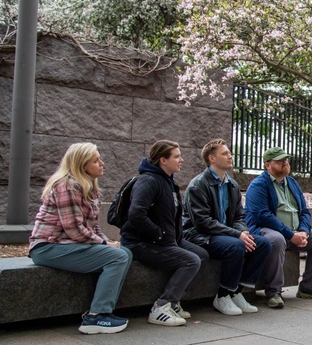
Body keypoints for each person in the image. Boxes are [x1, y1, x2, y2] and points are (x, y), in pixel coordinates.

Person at [28, 143, 132, 334]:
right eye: (96, 160)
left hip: (66, 245)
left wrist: (106, 241)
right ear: (82, 165)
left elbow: (92, 225)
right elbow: (74, 229)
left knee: (124, 252)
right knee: (118, 256)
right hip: (47, 247)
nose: (102, 163)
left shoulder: (88, 186)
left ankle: (103, 311)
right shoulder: (67, 185)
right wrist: (103, 243)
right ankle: (97, 316)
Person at [120, 140, 209, 326]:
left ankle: (174, 302)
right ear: (163, 160)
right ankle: (162, 306)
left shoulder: (168, 182)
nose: (181, 160)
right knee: (190, 260)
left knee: (201, 254)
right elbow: (136, 214)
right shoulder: (149, 181)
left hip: (168, 239)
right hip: (142, 242)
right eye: (176, 156)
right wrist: (158, 235)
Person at [182, 138, 271, 315]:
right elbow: (202, 222)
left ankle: (236, 292)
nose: (230, 156)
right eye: (225, 153)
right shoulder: (198, 185)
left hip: (224, 234)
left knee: (262, 244)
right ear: (212, 158)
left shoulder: (232, 184)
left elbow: (239, 215)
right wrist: (236, 235)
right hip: (199, 235)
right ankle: (222, 296)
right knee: (236, 246)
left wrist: (243, 231)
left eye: (229, 153)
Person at [245, 147, 312, 309]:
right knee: (276, 240)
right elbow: (263, 216)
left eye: (286, 160)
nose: (285, 163)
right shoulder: (258, 185)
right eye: (279, 161)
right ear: (267, 165)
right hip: (266, 231)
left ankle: (308, 287)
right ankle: (273, 291)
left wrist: (304, 231)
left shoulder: (292, 183)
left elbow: (304, 211)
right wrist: (290, 235)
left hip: (295, 231)